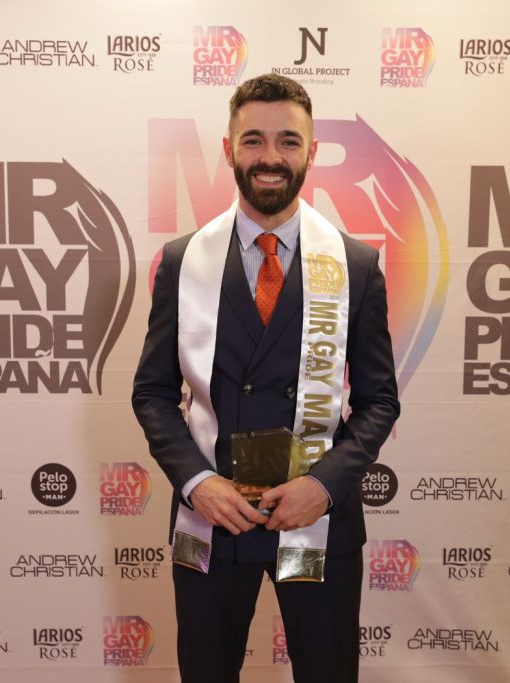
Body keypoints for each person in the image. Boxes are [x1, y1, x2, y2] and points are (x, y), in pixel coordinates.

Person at [132, 73, 399, 683]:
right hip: (212, 516)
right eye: (253, 140)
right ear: (229, 150)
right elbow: (152, 392)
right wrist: (196, 482)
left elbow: (379, 401)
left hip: (313, 518)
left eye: (288, 141)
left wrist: (324, 485)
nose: (270, 157)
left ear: (311, 152)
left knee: (327, 672)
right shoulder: (182, 261)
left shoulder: (356, 266)